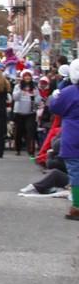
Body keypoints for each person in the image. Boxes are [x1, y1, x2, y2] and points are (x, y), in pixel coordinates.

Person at [48, 59, 79, 220]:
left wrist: (56, 96)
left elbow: (54, 107)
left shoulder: (70, 92)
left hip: (73, 137)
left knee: (75, 173)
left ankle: (77, 206)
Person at [12, 69, 41, 157]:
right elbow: (15, 98)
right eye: (26, 76)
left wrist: (35, 99)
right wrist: (21, 90)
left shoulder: (34, 87)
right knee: (18, 132)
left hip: (30, 112)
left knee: (30, 131)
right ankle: (17, 148)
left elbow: (38, 98)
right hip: (19, 112)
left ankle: (31, 151)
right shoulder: (17, 86)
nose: (27, 77)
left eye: (29, 76)